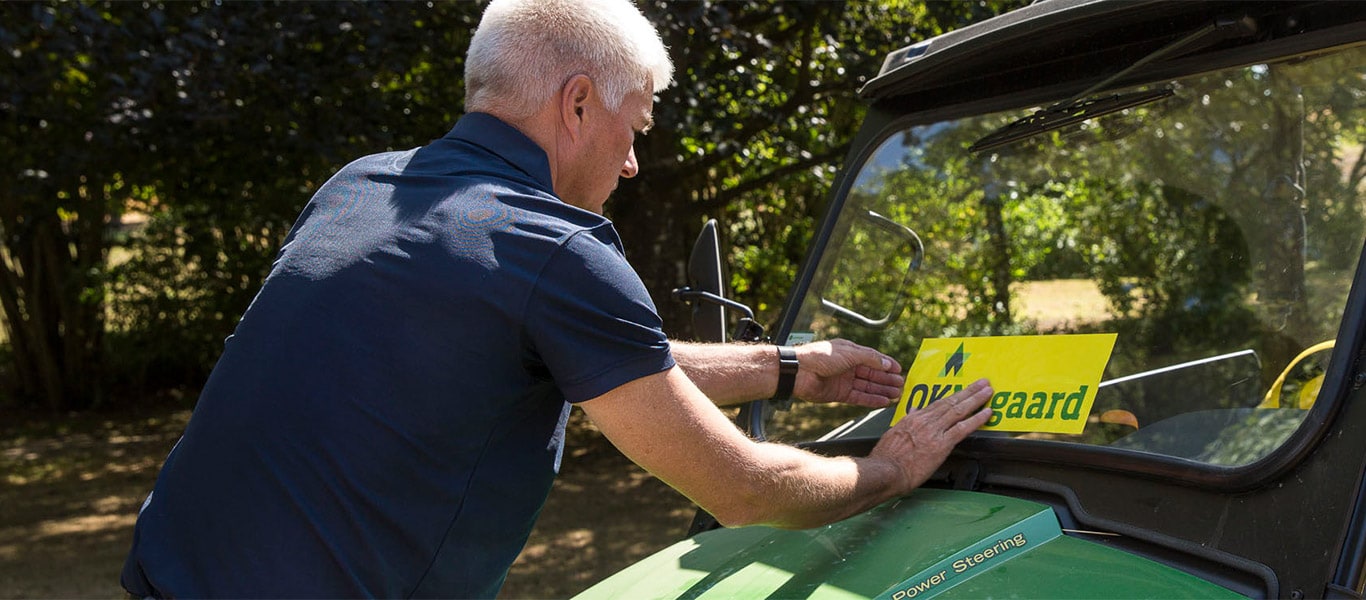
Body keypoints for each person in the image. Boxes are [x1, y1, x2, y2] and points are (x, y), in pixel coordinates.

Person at [119, 0, 994, 597]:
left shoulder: (362, 187)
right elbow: (747, 491)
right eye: (635, 128)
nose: (631, 163)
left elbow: (586, 359)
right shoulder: (556, 247)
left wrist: (793, 370)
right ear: (578, 103)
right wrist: (896, 466)